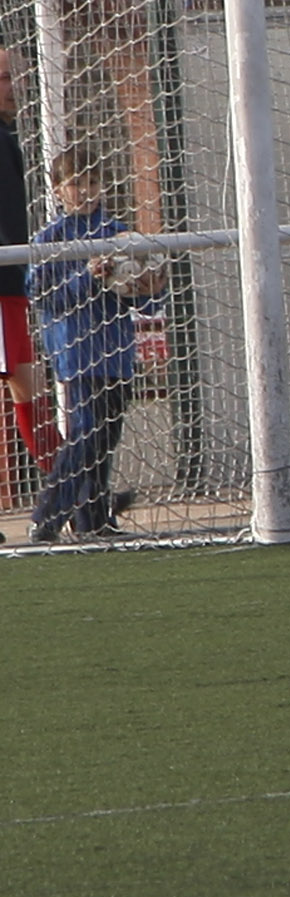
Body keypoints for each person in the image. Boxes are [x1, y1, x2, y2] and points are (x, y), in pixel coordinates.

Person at [27, 147, 161, 542]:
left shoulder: (118, 233)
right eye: (75, 183)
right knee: (85, 434)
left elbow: (144, 298)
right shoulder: (50, 239)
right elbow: (43, 297)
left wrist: (149, 287)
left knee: (105, 438)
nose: (85, 191)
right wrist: (88, 276)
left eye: (91, 182)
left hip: (116, 351)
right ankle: (46, 517)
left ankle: (94, 520)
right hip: (76, 353)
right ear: (57, 190)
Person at [0, 51, 62, 527]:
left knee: (28, 385)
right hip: (1, 283)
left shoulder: (7, 135)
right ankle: (71, 488)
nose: (12, 85)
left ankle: (72, 489)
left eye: (14, 76)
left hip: (11, 283)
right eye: (3, 78)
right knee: (24, 384)